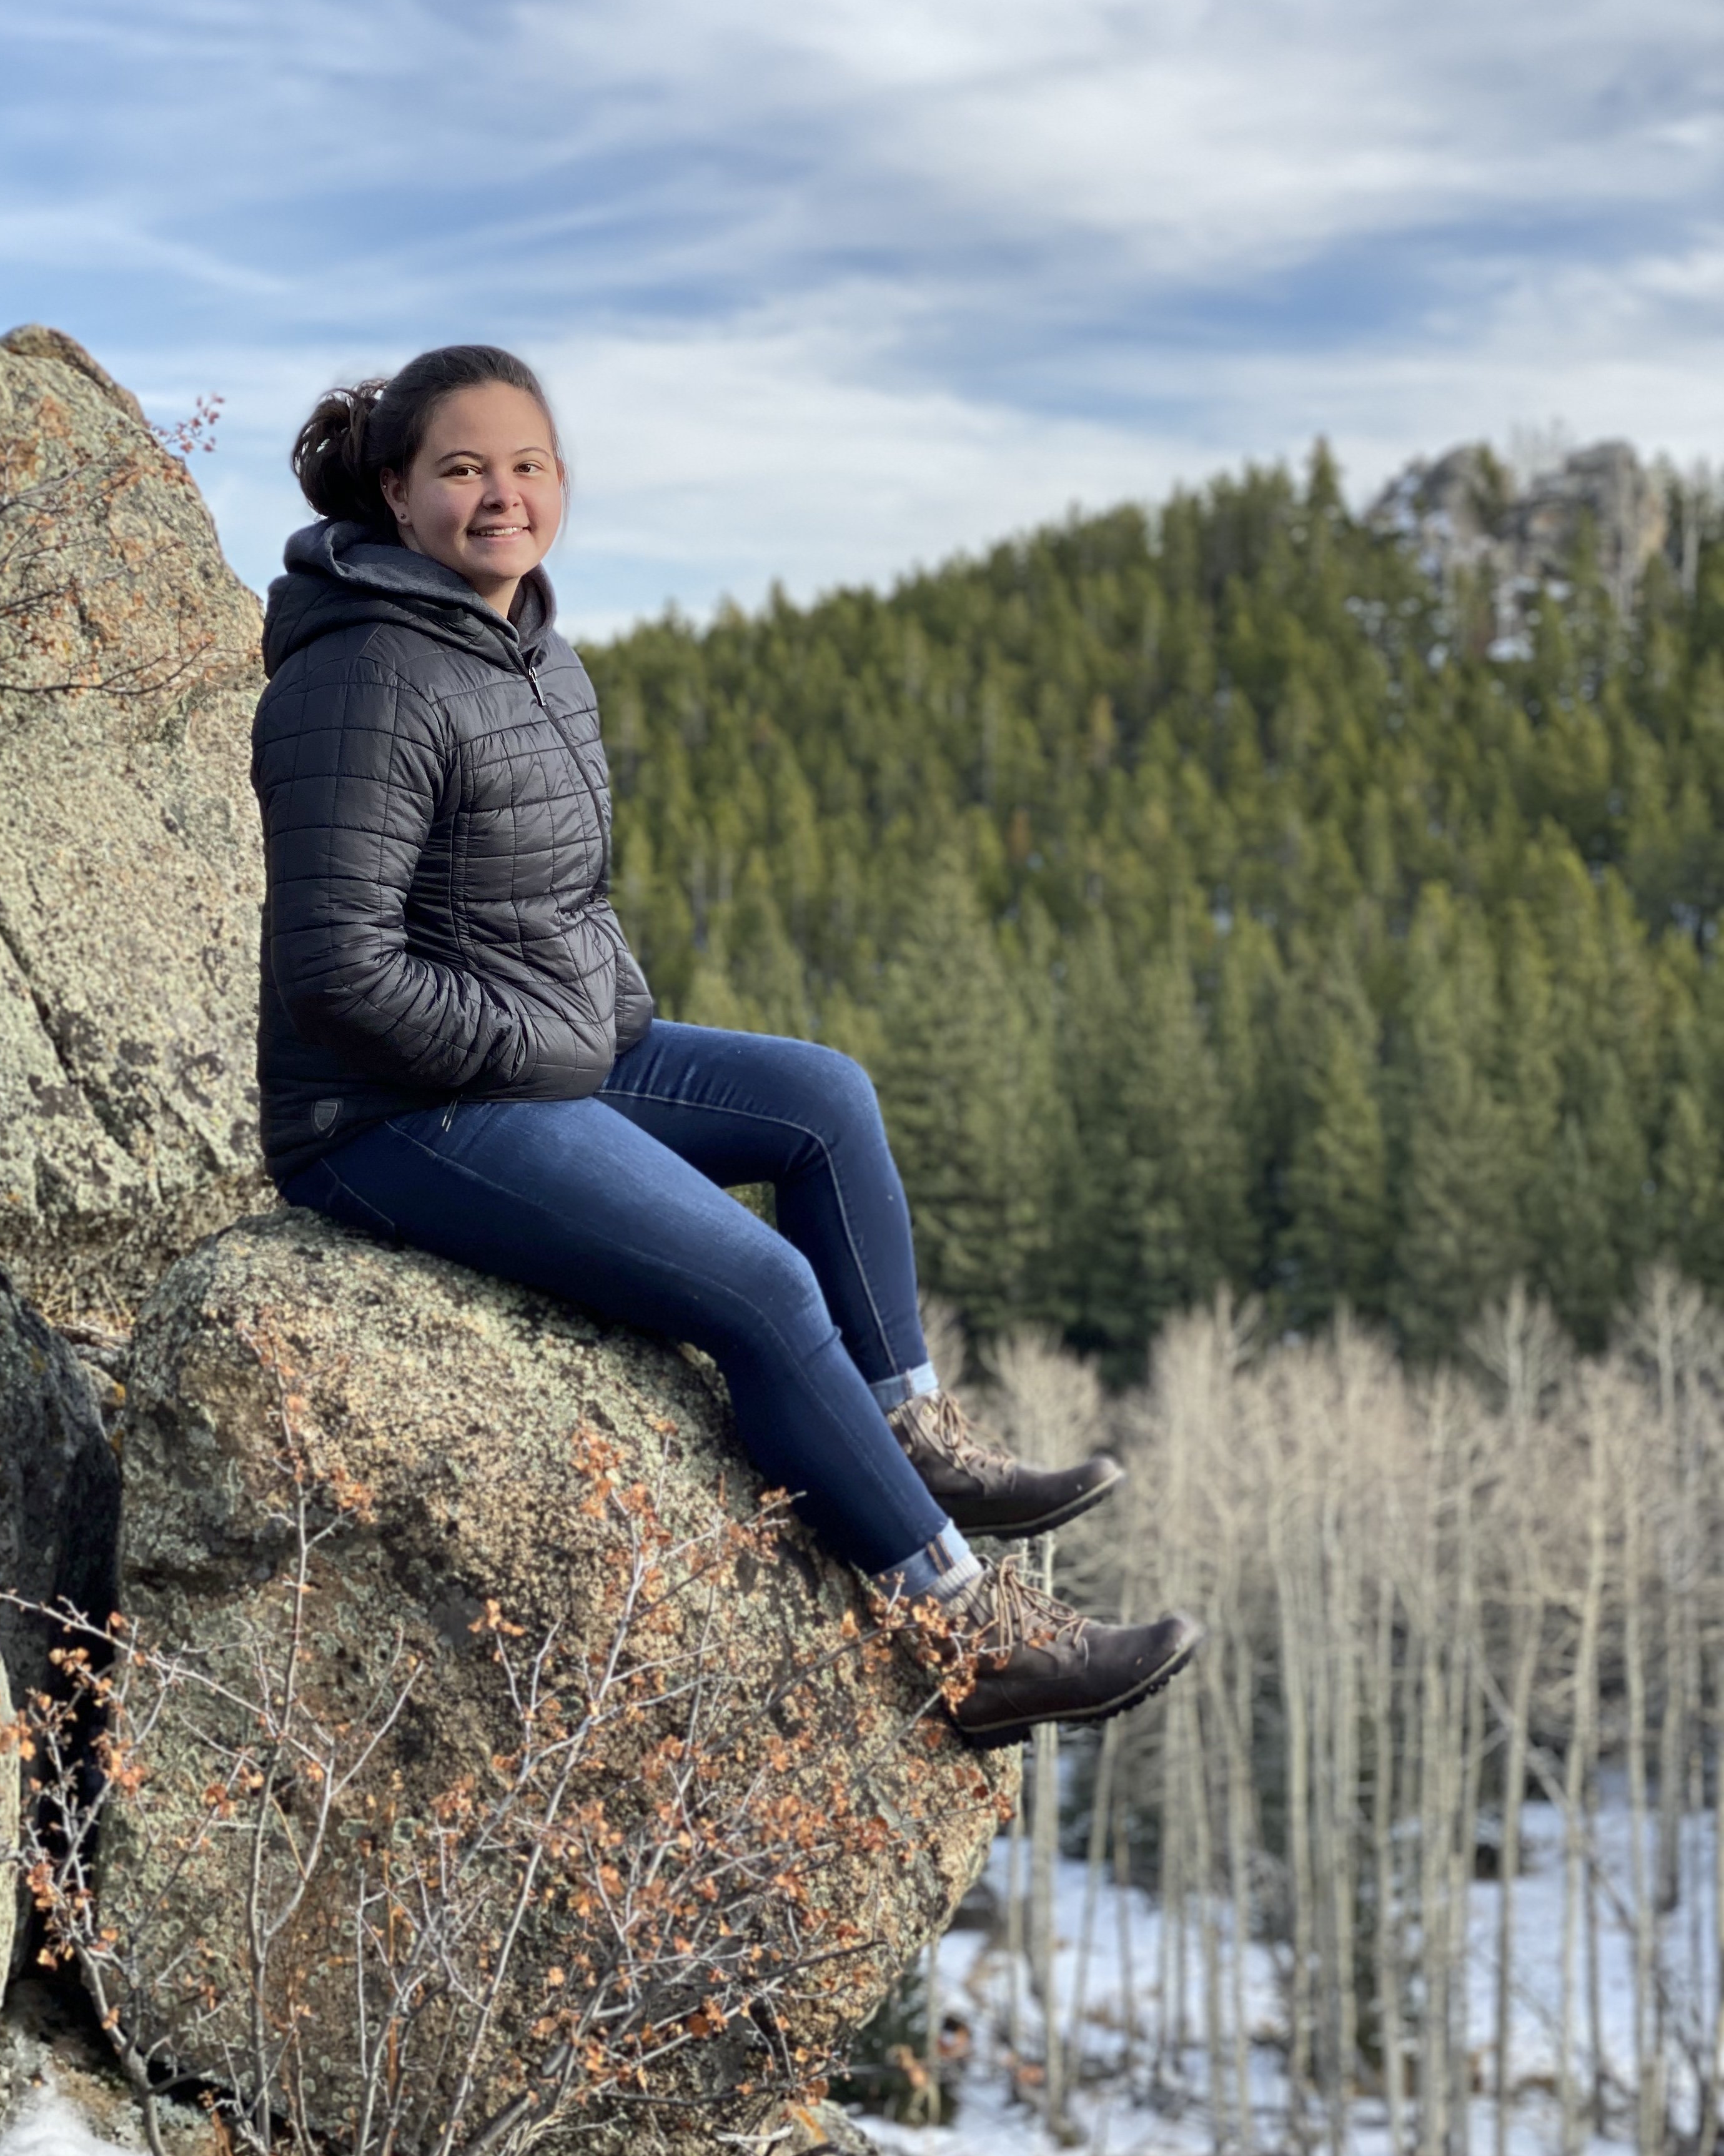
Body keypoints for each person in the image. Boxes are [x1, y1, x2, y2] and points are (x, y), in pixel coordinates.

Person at [250, 344, 1199, 1748]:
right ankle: (966, 1633)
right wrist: (539, 1049)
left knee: (821, 1096)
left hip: (541, 1047)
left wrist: (603, 1008)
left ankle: (904, 1431)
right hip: (390, 1113)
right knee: (755, 1284)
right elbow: (336, 975)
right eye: (462, 470)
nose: (501, 496)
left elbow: (560, 893)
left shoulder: (528, 652)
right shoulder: (365, 675)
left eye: (527, 464)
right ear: (395, 493)